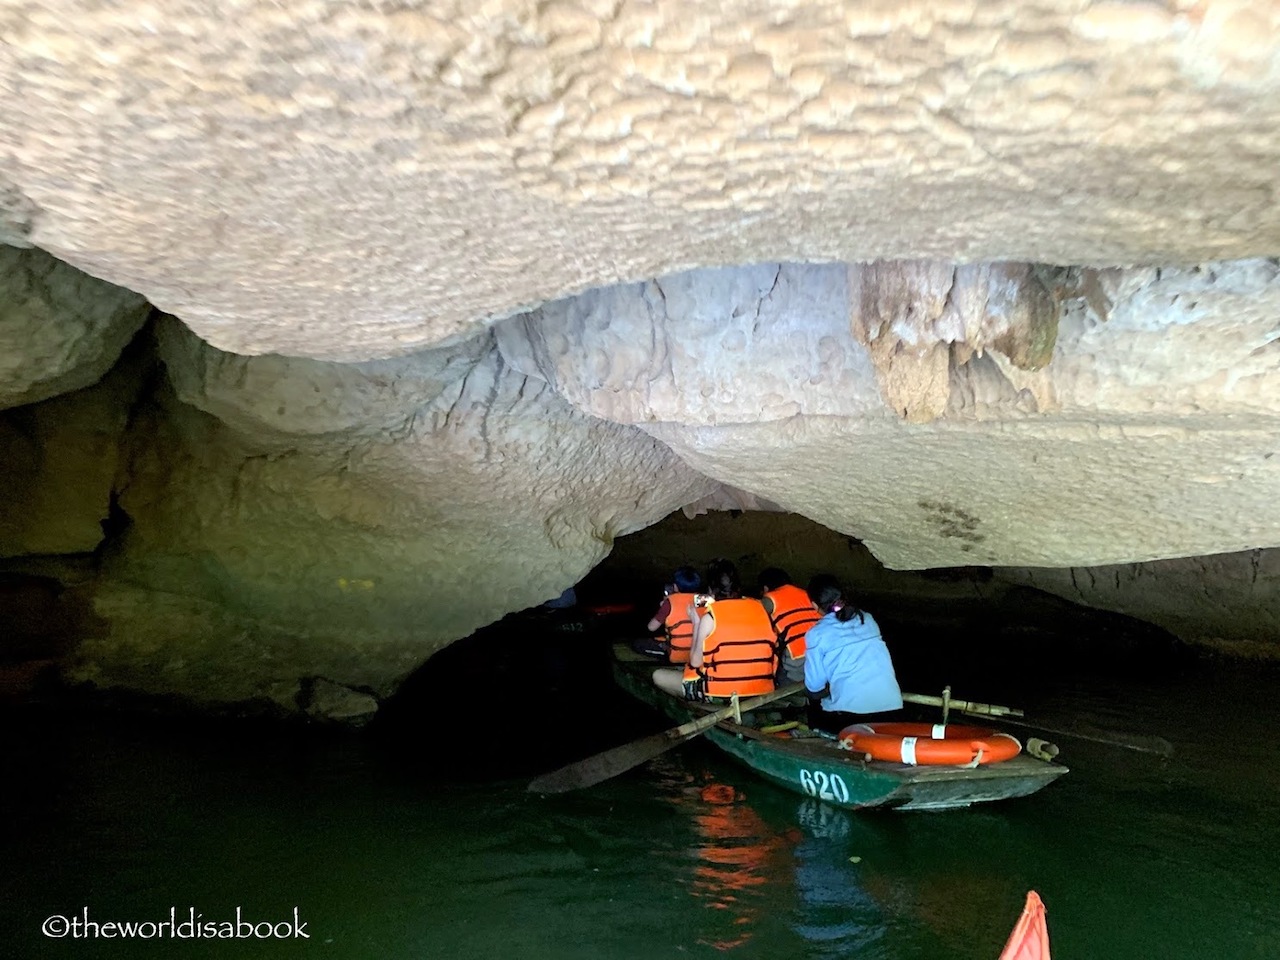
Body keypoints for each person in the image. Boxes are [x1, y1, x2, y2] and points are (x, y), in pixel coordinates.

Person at [653, 559, 776, 701]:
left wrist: (696, 623)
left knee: (658, 676)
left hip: (723, 694)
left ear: (711, 590)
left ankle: (698, 705)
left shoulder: (710, 618)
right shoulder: (760, 608)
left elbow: (695, 661)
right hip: (761, 689)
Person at [802, 574, 902, 733]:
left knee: (812, 702)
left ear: (814, 605)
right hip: (892, 709)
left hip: (852, 717)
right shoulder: (866, 619)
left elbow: (814, 687)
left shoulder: (817, 634)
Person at [757, 568, 820, 684]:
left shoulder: (770, 599)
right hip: (821, 656)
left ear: (766, 588)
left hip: (796, 663)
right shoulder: (806, 594)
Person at [638, 565, 703, 662]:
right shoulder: (704, 600)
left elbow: (651, 627)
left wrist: (664, 608)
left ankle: (668, 656)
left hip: (679, 653)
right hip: (699, 654)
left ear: (675, 587)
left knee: (638, 644)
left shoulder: (670, 602)